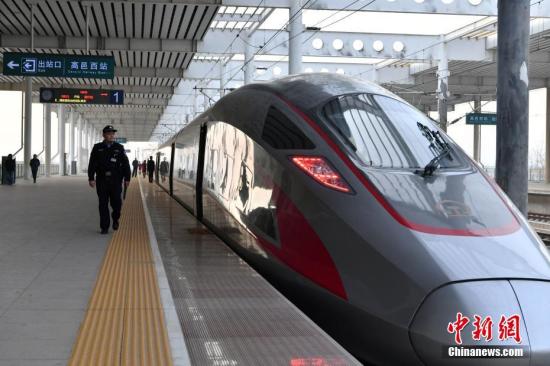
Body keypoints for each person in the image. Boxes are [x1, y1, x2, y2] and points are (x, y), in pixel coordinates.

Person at [88, 125, 131, 234]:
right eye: (109, 133)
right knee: (103, 204)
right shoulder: (97, 147)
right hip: (101, 180)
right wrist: (91, 178)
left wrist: (127, 178)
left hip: (116, 180)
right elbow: (92, 163)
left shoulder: (119, 147)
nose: (111, 135)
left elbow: (126, 163)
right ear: (104, 135)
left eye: (113, 133)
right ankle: (104, 227)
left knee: (117, 203)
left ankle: (115, 218)